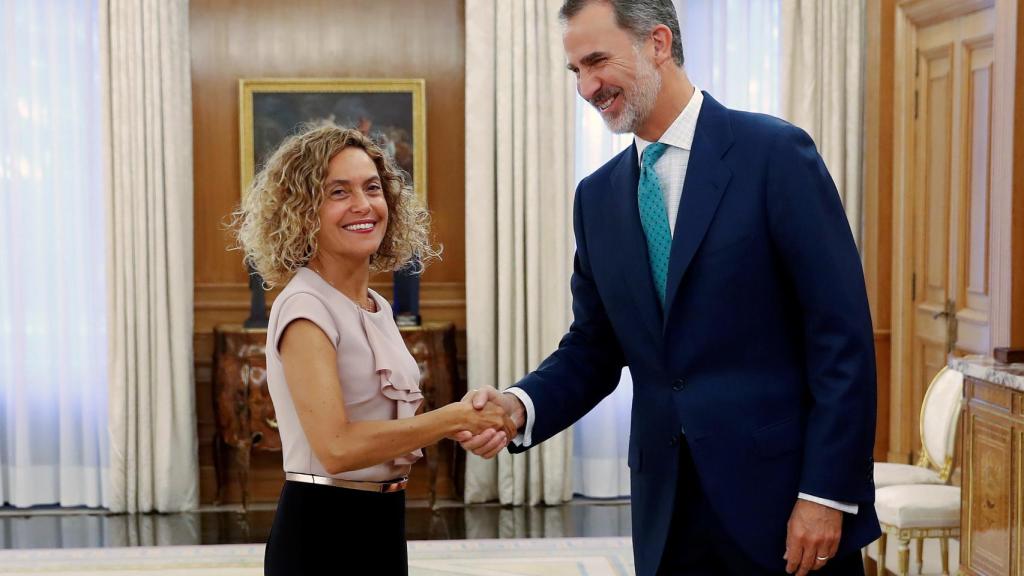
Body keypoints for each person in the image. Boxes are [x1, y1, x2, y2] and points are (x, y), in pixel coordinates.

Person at [458, 1, 880, 575]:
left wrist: (826, 493)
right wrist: (518, 405)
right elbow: (594, 347)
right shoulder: (596, 198)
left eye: (597, 61)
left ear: (657, 42)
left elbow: (842, 339)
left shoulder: (775, 155)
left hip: (783, 504)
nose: (586, 86)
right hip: (666, 510)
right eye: (575, 71)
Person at [231, 123, 515, 576]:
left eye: (373, 188)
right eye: (338, 192)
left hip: (382, 525)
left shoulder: (376, 306)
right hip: (322, 537)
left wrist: (467, 425)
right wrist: (454, 418)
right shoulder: (306, 306)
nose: (363, 205)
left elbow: (388, 422)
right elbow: (337, 447)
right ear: (302, 211)